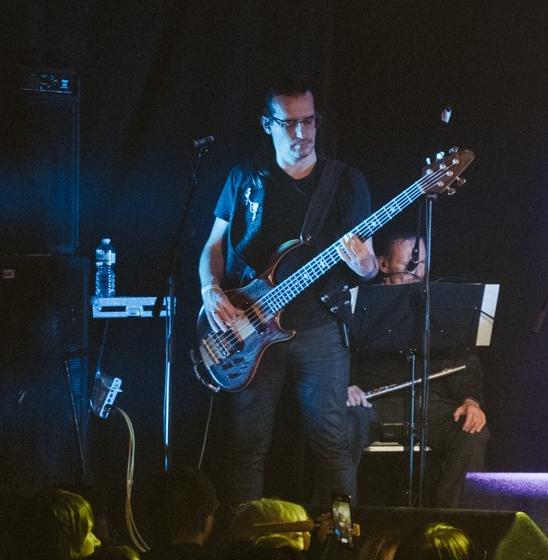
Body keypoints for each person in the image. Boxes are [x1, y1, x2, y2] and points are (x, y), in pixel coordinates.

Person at [200, 76, 379, 509]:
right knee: (246, 447)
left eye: (309, 122)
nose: (301, 134)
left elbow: (369, 263)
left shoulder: (345, 182)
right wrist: (209, 287)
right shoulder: (245, 177)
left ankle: (338, 549)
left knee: (332, 444)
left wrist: (366, 266)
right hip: (249, 325)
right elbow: (213, 244)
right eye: (289, 124)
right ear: (268, 124)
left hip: (319, 328)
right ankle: (247, 547)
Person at [343, 229, 489, 507]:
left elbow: (466, 362)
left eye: (420, 263)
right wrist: (343, 386)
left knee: (473, 432)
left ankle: (450, 530)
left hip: (427, 406)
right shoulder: (358, 303)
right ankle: (340, 529)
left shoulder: (440, 306)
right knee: (339, 428)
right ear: (383, 264)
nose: (416, 270)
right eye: (408, 263)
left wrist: (472, 401)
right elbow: (332, 354)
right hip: (369, 404)